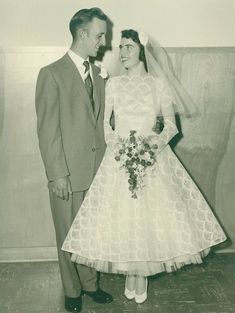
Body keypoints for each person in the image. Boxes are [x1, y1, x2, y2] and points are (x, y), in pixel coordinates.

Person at [62, 29, 226, 304]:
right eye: (121, 47)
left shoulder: (158, 85)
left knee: (151, 219)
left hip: (152, 158)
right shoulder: (112, 84)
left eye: (128, 47)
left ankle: (140, 281)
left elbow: (171, 126)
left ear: (142, 51)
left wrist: (150, 148)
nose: (122, 52)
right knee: (124, 219)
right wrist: (121, 148)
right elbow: (106, 125)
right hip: (119, 158)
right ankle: (131, 277)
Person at [35, 8, 113, 312]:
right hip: (67, 173)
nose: (104, 42)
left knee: (90, 232)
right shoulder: (51, 74)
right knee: (67, 234)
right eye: (99, 35)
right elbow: (47, 130)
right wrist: (57, 175)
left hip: (98, 170)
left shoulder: (99, 75)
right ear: (82, 34)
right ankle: (72, 290)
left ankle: (91, 285)